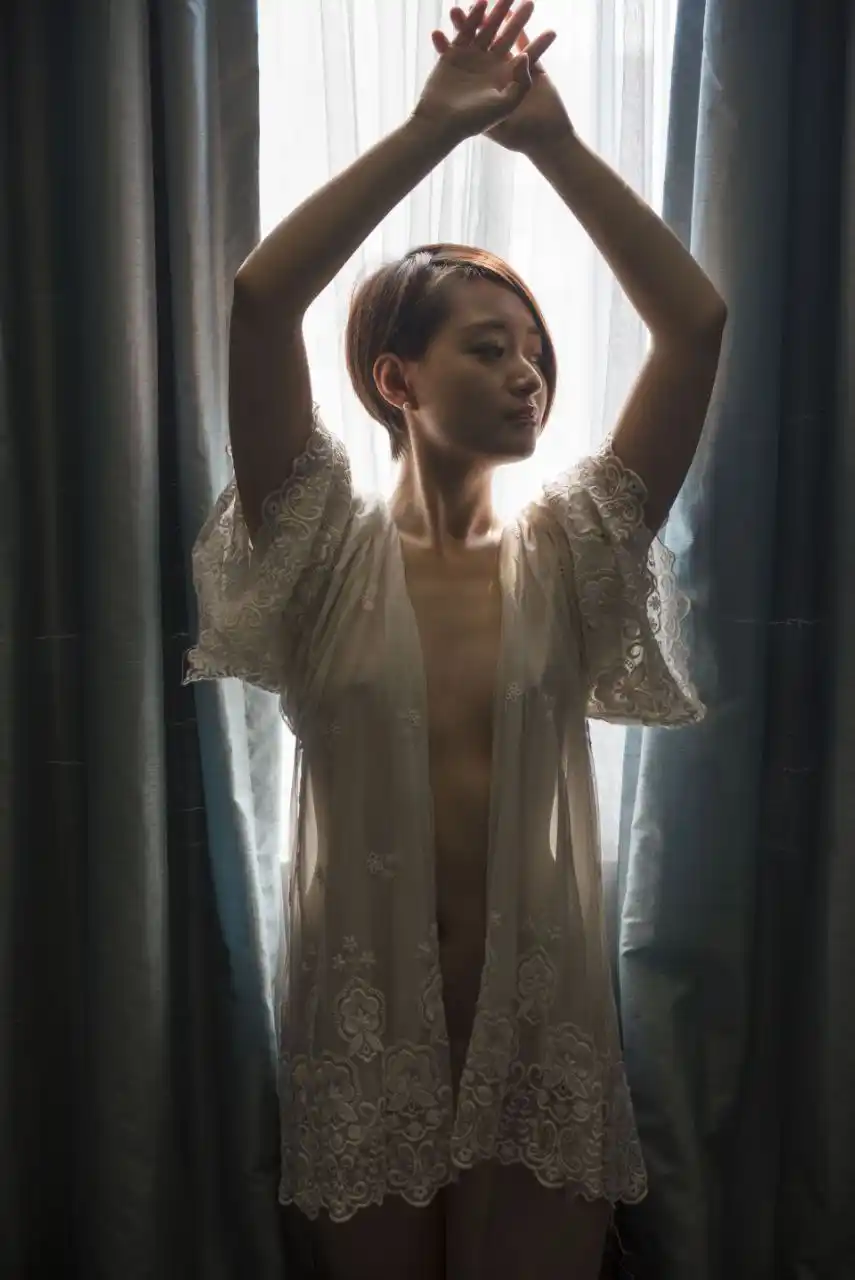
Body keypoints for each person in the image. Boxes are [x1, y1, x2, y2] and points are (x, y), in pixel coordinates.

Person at [185, 2, 726, 1276]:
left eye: (537, 351)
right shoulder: (320, 549)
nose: (530, 372)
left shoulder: (575, 551)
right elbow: (261, 301)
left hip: (537, 1040)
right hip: (365, 1038)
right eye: (491, 347)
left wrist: (557, 147)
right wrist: (434, 128)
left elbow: (694, 324)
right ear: (397, 381)